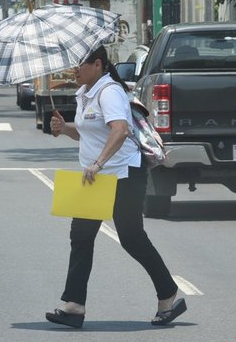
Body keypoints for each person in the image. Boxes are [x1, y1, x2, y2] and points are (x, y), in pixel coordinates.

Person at [45, 45, 187, 328]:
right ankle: (73, 306)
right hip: (94, 177)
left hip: (123, 174)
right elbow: (89, 134)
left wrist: (98, 163)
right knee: (81, 237)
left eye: (79, 64)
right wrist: (65, 129)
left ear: (97, 65)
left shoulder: (109, 91)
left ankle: (168, 294)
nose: (75, 70)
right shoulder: (85, 93)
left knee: (131, 236)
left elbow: (120, 130)